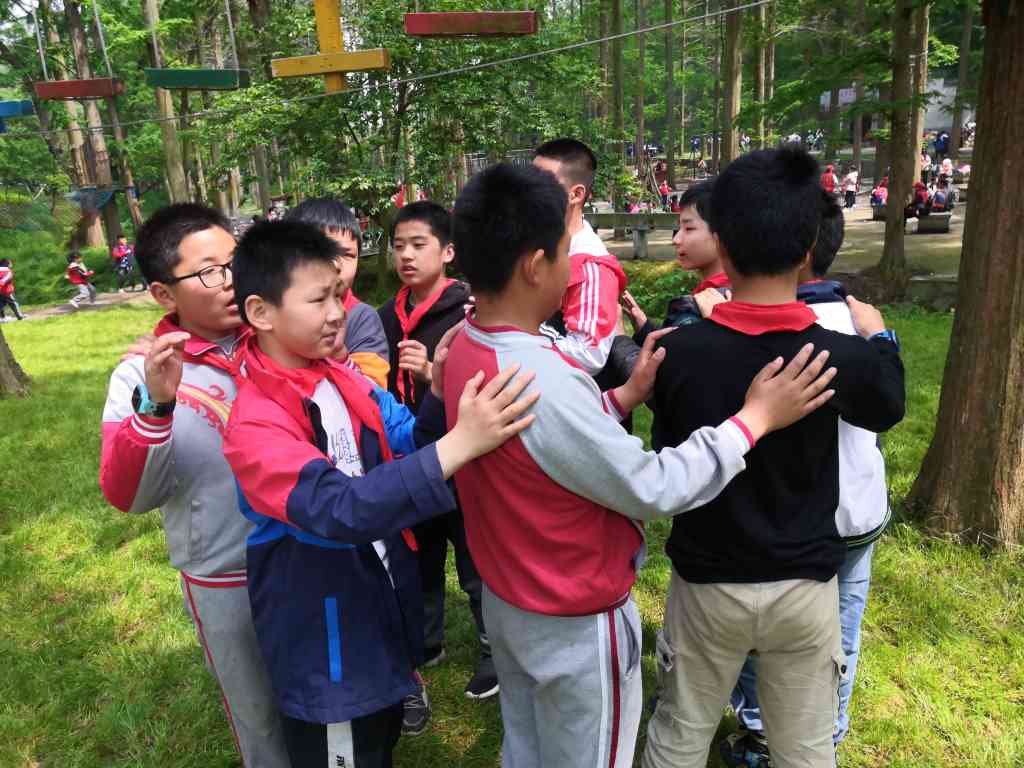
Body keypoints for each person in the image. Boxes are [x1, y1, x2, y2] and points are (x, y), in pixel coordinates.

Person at [443, 161, 839, 768]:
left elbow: (536, 437)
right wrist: (754, 419)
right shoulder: (543, 376)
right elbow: (652, 486)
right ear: (534, 266)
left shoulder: (467, 345)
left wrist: (622, 397)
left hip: (511, 598)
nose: (573, 267)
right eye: (566, 253)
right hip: (573, 620)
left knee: (528, 746)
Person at [221, 219, 536, 768]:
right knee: (346, 746)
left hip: (374, 609)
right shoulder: (256, 422)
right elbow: (338, 508)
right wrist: (461, 443)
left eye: (337, 295)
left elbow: (408, 441)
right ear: (261, 312)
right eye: (317, 300)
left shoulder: (343, 380)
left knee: (378, 737)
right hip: (327, 639)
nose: (336, 313)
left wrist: (439, 395)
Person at [641, 146, 905, 768]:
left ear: (722, 243)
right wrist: (880, 336)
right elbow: (888, 404)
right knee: (805, 749)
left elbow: (670, 454)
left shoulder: (680, 354)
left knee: (679, 734)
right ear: (809, 245)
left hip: (707, 584)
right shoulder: (840, 354)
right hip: (805, 587)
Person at [98, 203, 291, 768]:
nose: (231, 280)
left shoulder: (278, 338)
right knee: (258, 715)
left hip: (307, 553)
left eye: (235, 261)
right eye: (209, 272)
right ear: (164, 294)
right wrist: (157, 405)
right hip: (226, 574)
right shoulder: (141, 375)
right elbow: (129, 496)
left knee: (324, 693)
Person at [720, 190, 893, 767]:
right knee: (840, 634)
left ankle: (760, 735)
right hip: (856, 514)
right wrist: (882, 340)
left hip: (782, 521)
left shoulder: (756, 330)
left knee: (760, 634)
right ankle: (826, 735)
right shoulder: (861, 325)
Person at [377, 201, 496, 732]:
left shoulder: (468, 310)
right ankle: (427, 641)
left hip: (462, 456)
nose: (406, 255)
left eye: (418, 244)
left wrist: (431, 375)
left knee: (474, 559)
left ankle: (493, 651)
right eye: (398, 245)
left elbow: (485, 381)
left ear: (448, 252)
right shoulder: (385, 315)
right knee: (419, 556)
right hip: (409, 458)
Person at [284, 197, 391, 388]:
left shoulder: (361, 318)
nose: (337, 265)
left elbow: (374, 393)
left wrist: (338, 354)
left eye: (348, 255)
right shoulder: (275, 312)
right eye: (325, 251)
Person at [622, 180, 731, 344]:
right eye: (679, 228)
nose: (676, 240)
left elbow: (671, 359)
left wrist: (619, 338)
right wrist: (645, 327)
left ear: (724, 233)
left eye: (689, 228)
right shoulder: (725, 292)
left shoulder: (719, 303)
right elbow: (676, 347)